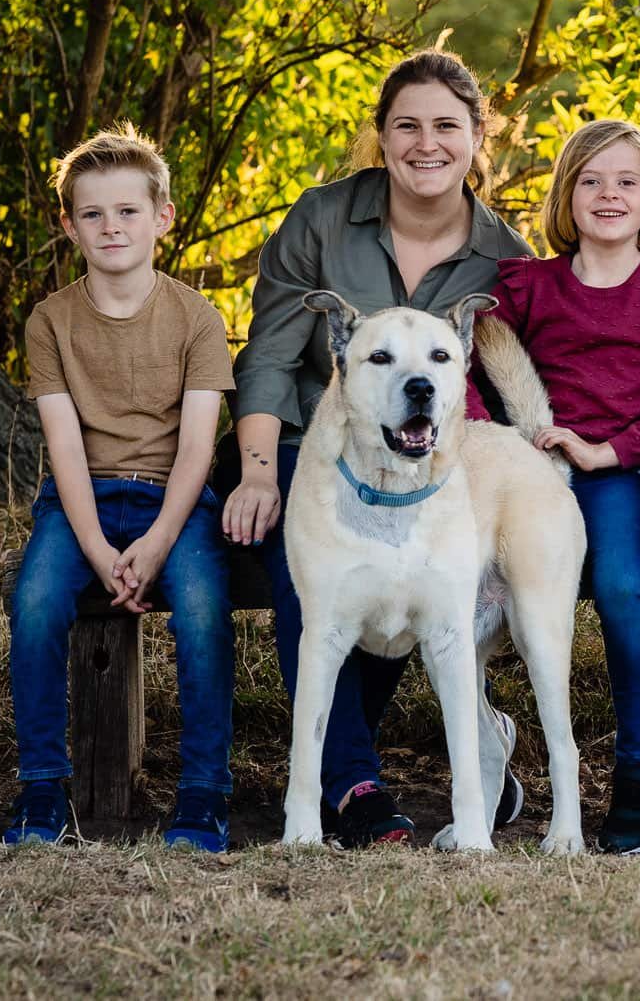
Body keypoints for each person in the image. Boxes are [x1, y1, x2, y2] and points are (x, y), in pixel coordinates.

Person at [224, 50, 531, 847]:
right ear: (382, 136)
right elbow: (266, 357)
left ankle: (346, 764)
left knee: (415, 562)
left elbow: (506, 379)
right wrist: (259, 472)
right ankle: (354, 783)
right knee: (315, 570)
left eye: (446, 126)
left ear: (475, 138)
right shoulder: (323, 218)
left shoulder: (507, 256)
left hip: (436, 457)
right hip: (312, 440)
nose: (425, 144)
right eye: (407, 126)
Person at [480, 119, 640, 854]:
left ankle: (637, 772)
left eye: (626, 180)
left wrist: (602, 449)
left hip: (615, 474)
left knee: (619, 588)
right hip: (525, 472)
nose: (608, 194)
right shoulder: (526, 285)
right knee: (470, 592)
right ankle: (486, 754)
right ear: (565, 195)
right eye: (590, 180)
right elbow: (474, 373)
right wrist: (506, 443)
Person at [6, 126, 237, 851]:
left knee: (202, 610)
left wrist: (159, 538)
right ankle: (42, 787)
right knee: (38, 602)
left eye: (128, 211)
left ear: (161, 218)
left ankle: (204, 794)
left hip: (176, 500)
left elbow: (199, 446)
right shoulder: (50, 320)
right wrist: (101, 550)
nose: (112, 227)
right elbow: (64, 447)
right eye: (94, 214)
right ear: (69, 224)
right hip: (84, 500)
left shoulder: (197, 317)